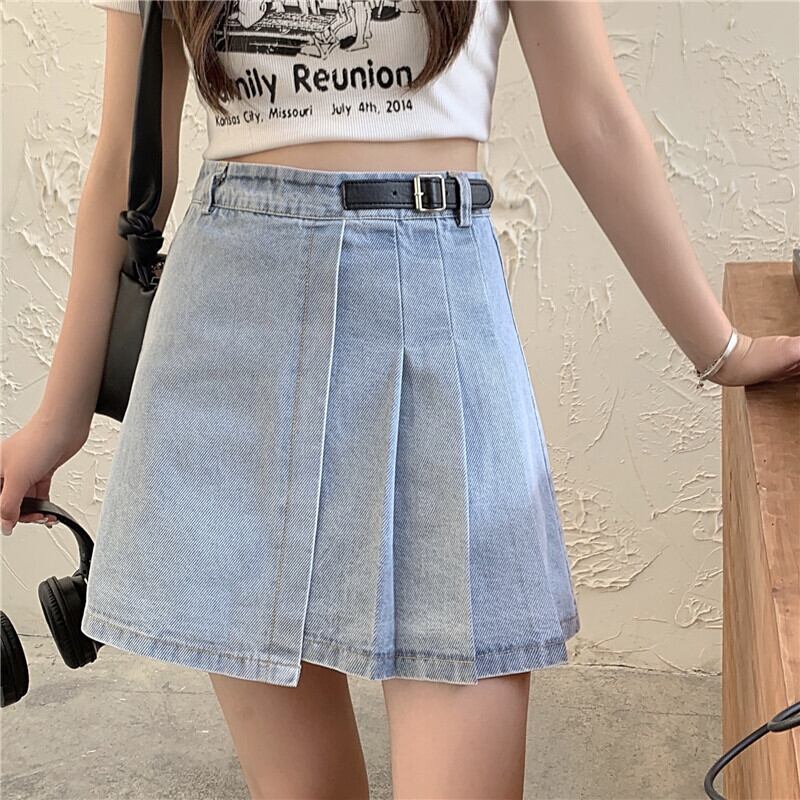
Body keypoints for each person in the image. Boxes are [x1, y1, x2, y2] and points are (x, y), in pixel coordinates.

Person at [1, 1, 798, 798]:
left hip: (435, 303)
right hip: (230, 323)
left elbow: (591, 117)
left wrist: (721, 348)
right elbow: (126, 161)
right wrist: (58, 419)